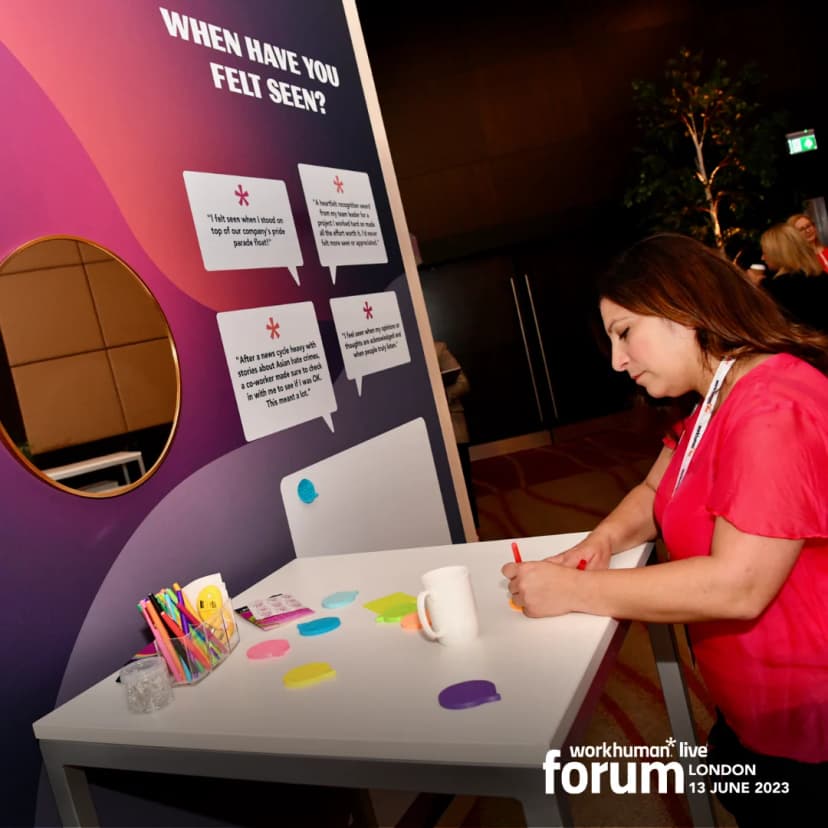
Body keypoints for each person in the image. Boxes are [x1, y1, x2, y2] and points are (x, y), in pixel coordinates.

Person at [502, 234, 828, 825]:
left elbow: (738, 585)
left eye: (624, 331)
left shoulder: (771, 406)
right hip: (756, 707)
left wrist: (571, 591)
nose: (616, 360)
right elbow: (657, 491)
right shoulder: (714, 398)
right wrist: (596, 544)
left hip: (811, 723)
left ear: (684, 307)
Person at [434, 340, 478, 527]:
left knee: (463, 485)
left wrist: (440, 394)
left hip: (452, 425)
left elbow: (463, 383)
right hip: (425, 431)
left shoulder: (438, 349)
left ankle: (473, 530)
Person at [759, 222, 828, 333]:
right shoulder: (822, 276)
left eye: (765, 252)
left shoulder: (776, 290)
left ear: (778, 253)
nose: (762, 258)